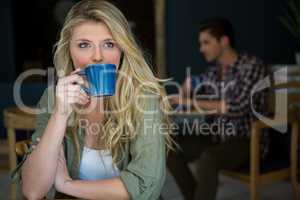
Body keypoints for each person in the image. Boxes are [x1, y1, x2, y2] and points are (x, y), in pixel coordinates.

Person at [12, 1, 173, 199]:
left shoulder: (143, 98)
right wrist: (60, 115)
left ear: (122, 49)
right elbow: (33, 191)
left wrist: (67, 185)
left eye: (109, 44)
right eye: (84, 45)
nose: (98, 56)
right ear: (69, 50)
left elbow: (146, 185)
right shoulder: (54, 98)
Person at [168, 18, 268, 200]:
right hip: (217, 136)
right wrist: (187, 87)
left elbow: (237, 106)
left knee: (208, 159)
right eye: (200, 43)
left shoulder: (252, 66)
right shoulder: (213, 72)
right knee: (169, 148)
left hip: (246, 140)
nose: (201, 49)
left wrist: (191, 102)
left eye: (206, 42)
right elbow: (194, 86)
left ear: (224, 41)